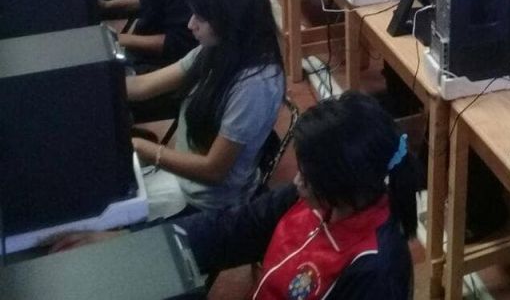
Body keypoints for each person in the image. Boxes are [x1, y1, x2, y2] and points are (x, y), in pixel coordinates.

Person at [53, 92, 417, 300]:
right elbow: (230, 230)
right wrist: (132, 243)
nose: (297, 180)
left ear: (342, 182)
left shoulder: (377, 271)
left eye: (309, 176)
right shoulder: (307, 200)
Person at [126, 0, 285, 215]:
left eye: (200, 17)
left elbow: (214, 171)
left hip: (208, 205)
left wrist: (143, 148)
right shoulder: (218, 48)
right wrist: (93, 85)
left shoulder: (255, 86)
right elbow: (142, 86)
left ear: (229, 19)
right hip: (182, 182)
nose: (191, 24)